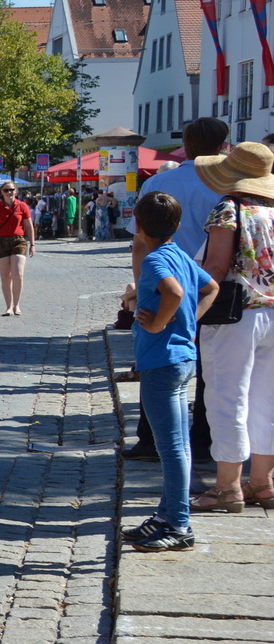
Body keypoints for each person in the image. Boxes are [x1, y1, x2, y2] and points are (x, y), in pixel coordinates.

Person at [126, 117, 234, 461]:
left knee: (153, 359)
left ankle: (149, 439)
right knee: (208, 368)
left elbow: (139, 242)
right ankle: (201, 440)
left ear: (185, 145)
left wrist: (141, 286)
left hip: (162, 280)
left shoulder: (159, 181)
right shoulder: (228, 185)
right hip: (210, 283)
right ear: (222, 146)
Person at [123, 191, 218, 552]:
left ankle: (178, 525)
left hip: (161, 363)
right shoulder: (180, 254)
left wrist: (158, 324)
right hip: (182, 359)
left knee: (172, 448)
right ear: (177, 226)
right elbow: (210, 287)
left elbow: (174, 292)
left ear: (139, 225)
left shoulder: (154, 260)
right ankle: (166, 515)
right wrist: (189, 324)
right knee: (178, 444)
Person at [193, 142, 274, 514]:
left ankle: (227, 487)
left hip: (236, 315)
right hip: (272, 312)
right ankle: (263, 482)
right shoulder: (271, 211)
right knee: (266, 402)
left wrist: (191, 308)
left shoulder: (230, 209)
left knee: (228, 397)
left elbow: (216, 267)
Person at [0, 181, 35, 316]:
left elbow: (29, 226)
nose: (9, 192)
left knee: (18, 274)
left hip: (18, 241)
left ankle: (17, 306)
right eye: (6, 190)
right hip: (1, 241)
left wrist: (32, 244)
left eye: (12, 190)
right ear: (2, 192)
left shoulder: (22, 206)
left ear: (16, 191)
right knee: (5, 276)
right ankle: (8, 306)